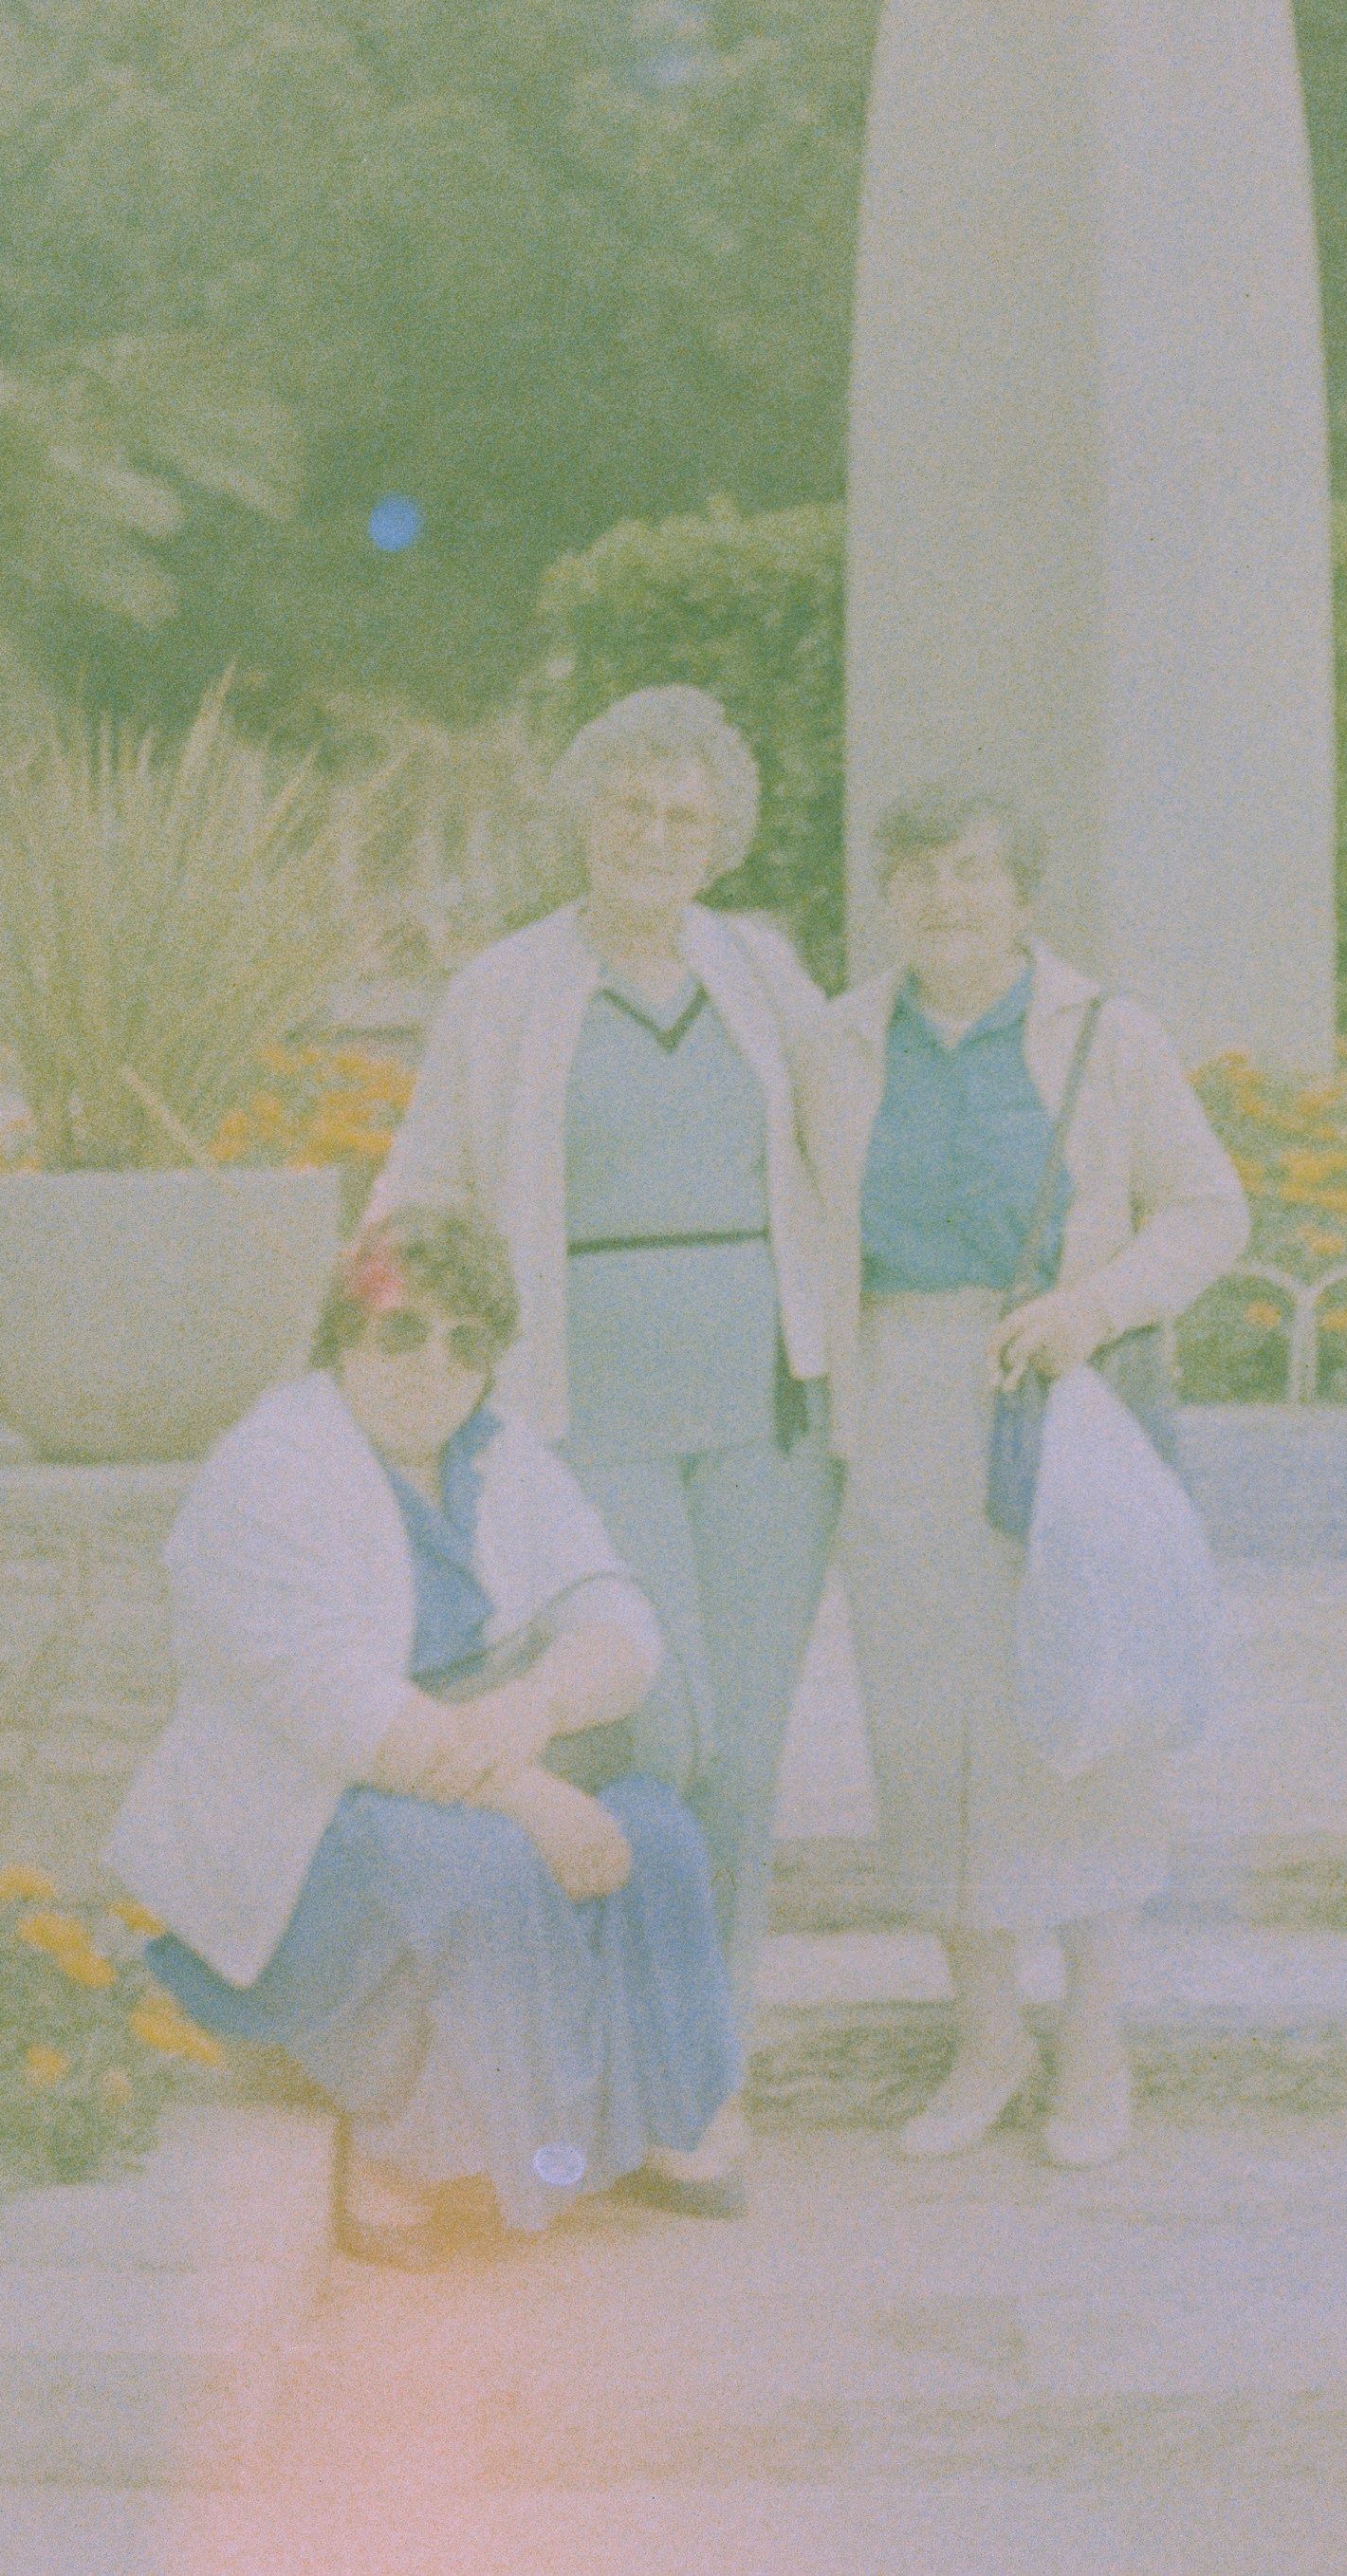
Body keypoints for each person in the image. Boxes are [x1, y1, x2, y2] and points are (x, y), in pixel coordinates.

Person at [368, 685, 846, 2185]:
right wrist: (380, 1355)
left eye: (683, 814)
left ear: (720, 836)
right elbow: (424, 1182)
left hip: (768, 1415)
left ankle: (696, 2080)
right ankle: (590, 2049)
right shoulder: (504, 989)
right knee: (662, 1726)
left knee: (744, 1761)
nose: (654, 834)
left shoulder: (762, 970)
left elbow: (855, 1134)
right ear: (582, 817)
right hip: (589, 1418)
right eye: (629, 807)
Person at [105, 1208, 745, 2264]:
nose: (433, 1363)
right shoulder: (269, 1468)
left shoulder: (498, 1455)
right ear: (343, 1337)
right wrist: (527, 1792)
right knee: (476, 1868)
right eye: (401, 1330)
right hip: (315, 1804)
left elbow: (621, 1625)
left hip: (472, 1756)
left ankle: (643, 2127)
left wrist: (534, 1709)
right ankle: (405, 2151)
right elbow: (334, 1706)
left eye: (465, 1342)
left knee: (655, 1834)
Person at [800, 781, 1247, 2167]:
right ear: (888, 893)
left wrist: (1090, 1310)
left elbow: (1208, 1207)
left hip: (1058, 1395)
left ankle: (1094, 2040)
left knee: (1078, 1704)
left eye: (973, 871)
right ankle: (986, 2039)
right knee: (932, 1726)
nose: (945, 897)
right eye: (918, 872)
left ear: (1021, 894)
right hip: (898, 1400)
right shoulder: (836, 1043)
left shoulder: (1103, 1033)